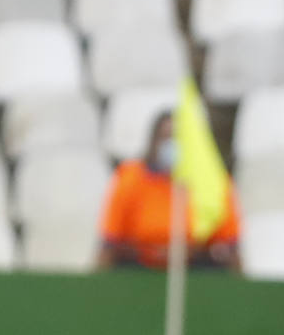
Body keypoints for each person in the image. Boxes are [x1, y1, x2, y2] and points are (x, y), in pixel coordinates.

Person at [98, 110, 240, 271]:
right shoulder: (130, 177)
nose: (173, 144)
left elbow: (231, 245)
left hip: (195, 270)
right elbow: (109, 242)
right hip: (138, 269)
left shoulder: (214, 182)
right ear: (153, 141)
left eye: (181, 139)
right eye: (166, 137)